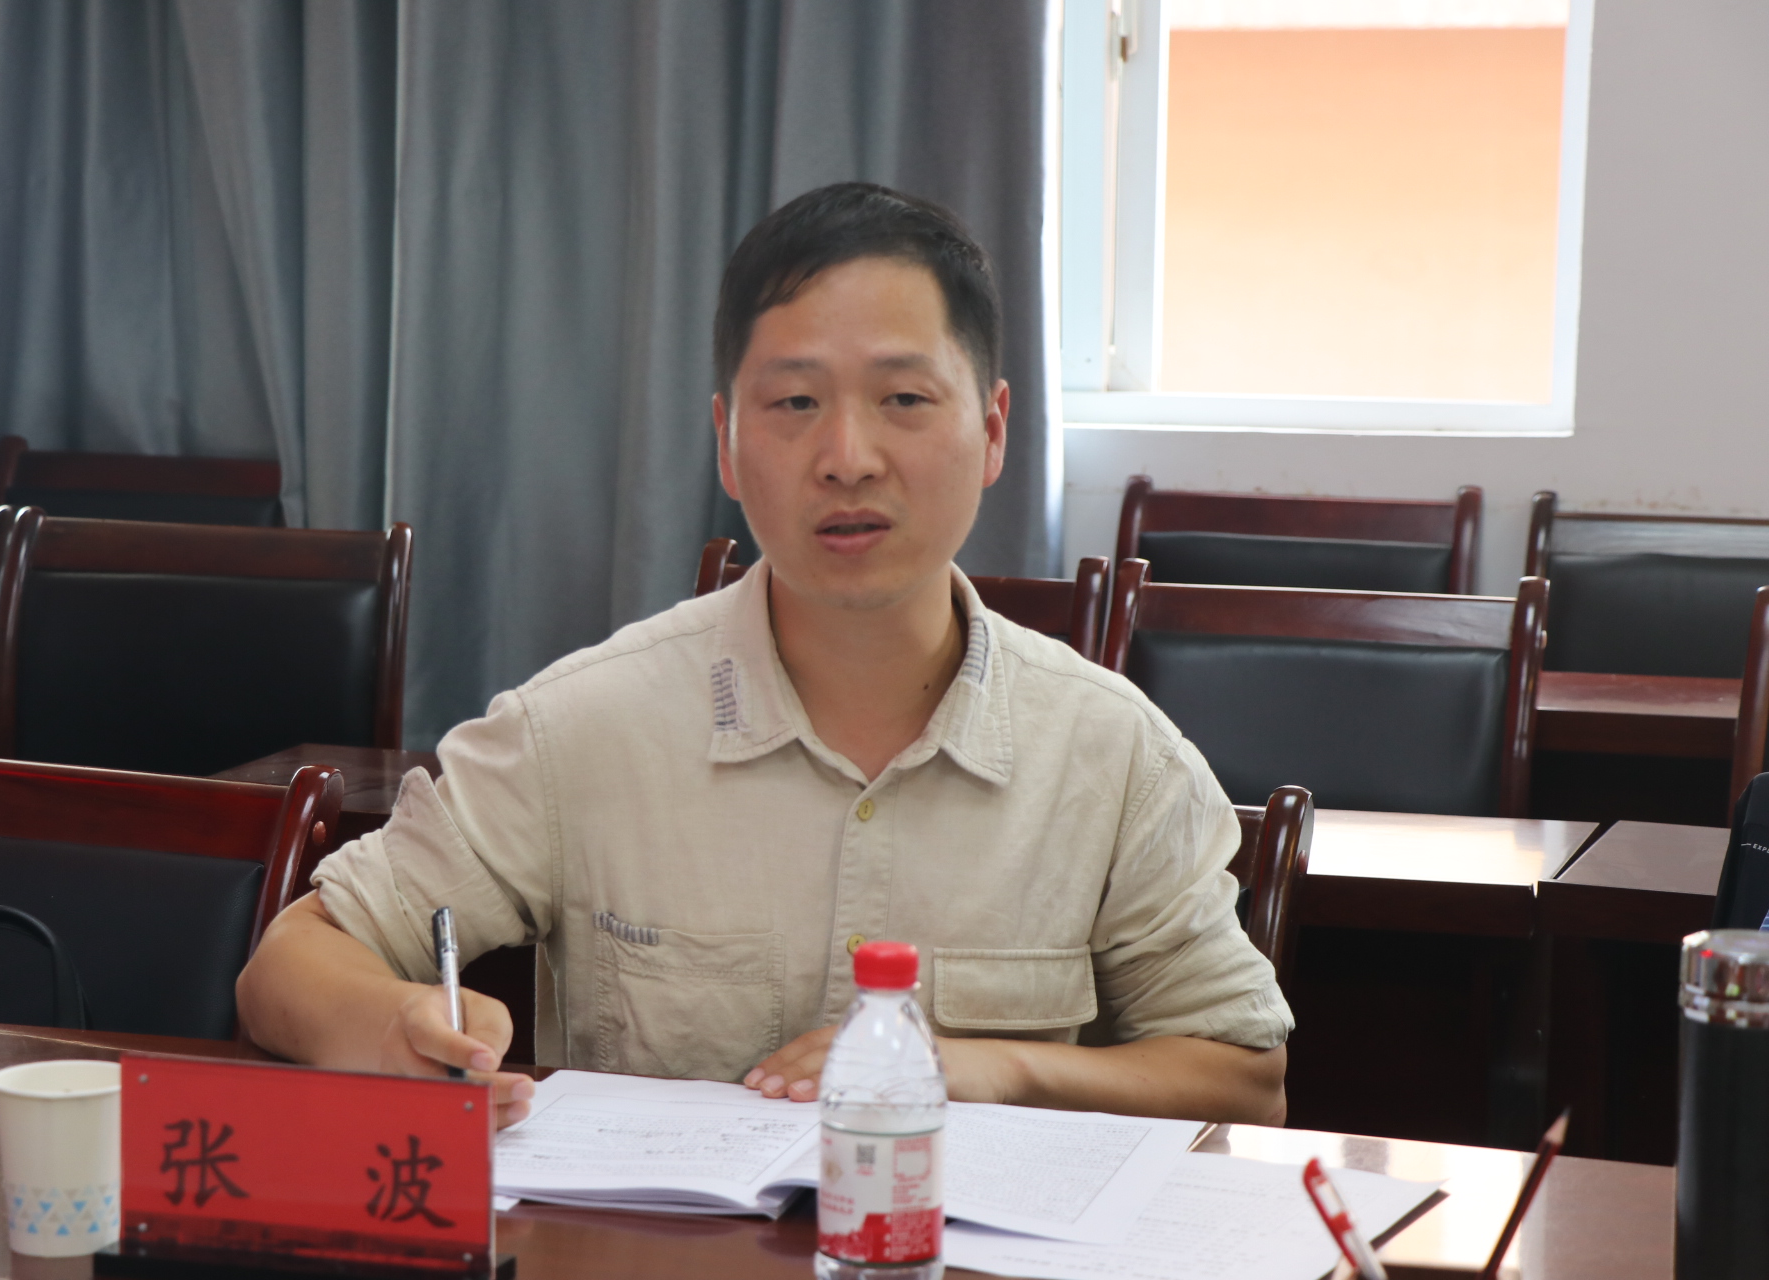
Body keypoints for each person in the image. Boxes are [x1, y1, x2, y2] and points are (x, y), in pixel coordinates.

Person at [236, 182, 1291, 1132]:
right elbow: (289, 966)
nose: (847, 458)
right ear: (726, 443)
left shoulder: (1114, 755)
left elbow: (1243, 1076)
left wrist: (988, 1068)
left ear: (994, 428)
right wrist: (394, 1026)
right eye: (794, 403)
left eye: (904, 399)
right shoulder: (583, 729)